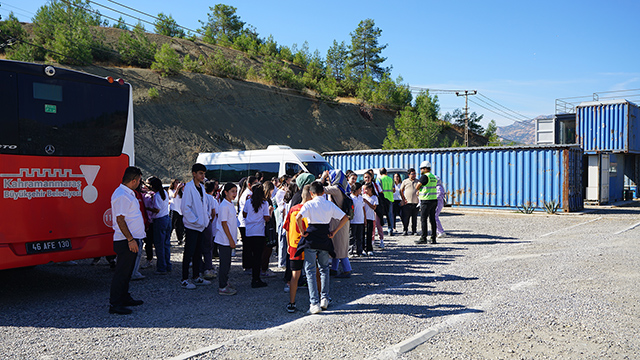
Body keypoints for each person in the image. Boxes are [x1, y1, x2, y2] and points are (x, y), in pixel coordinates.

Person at [295, 181, 349, 315]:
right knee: (324, 268)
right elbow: (345, 218)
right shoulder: (329, 204)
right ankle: (324, 298)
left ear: (311, 193)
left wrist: (302, 231)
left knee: (310, 270)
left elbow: (298, 217)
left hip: (311, 236)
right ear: (323, 192)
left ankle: (314, 302)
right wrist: (334, 232)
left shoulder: (309, 204)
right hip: (325, 236)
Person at [108, 166, 145, 315]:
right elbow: (120, 219)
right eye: (140, 180)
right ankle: (115, 304)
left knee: (128, 272)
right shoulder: (122, 195)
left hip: (130, 239)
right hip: (125, 240)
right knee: (122, 273)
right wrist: (130, 239)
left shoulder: (128, 193)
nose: (140, 183)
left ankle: (124, 297)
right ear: (134, 180)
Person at [180, 164, 212, 290]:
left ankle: (196, 276)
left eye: (204, 173)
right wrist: (196, 220)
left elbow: (204, 206)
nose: (202, 176)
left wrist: (205, 219)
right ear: (194, 173)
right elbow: (185, 208)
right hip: (192, 226)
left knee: (198, 252)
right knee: (189, 252)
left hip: (201, 226)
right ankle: (184, 279)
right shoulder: (188, 188)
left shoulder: (202, 188)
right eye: (200, 173)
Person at [283, 184, 311, 312]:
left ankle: (291, 303)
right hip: (309, 244)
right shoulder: (311, 209)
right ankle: (318, 298)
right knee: (314, 271)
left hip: (294, 244)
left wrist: (289, 245)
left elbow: (287, 229)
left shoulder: (293, 209)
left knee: (295, 274)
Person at [322, 170, 352, 278]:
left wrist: (322, 178)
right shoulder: (344, 188)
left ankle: (347, 270)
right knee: (337, 246)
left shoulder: (335, 190)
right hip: (343, 220)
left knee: (340, 247)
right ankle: (334, 269)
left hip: (337, 221)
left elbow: (320, 189)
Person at [243, 183, 271, 288]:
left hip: (249, 231)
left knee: (251, 254)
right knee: (258, 256)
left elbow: (244, 214)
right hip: (259, 231)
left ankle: (253, 277)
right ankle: (256, 278)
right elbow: (266, 218)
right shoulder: (264, 203)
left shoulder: (248, 202)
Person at [215, 183, 238, 296]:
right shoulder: (224, 205)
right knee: (224, 264)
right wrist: (231, 239)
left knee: (227, 263)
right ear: (226, 192)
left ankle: (225, 282)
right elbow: (224, 224)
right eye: (232, 191)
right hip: (224, 239)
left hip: (228, 239)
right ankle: (222, 286)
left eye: (236, 191)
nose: (235, 194)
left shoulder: (230, 204)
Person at [147, 176, 172, 275]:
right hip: (167, 218)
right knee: (166, 244)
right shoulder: (164, 193)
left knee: (159, 245)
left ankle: (161, 268)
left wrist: (148, 208)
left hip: (159, 221)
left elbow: (157, 210)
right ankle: (168, 265)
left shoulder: (157, 196)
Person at [238, 176, 258, 272]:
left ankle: (248, 265)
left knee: (248, 245)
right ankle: (247, 266)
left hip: (246, 222)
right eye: (255, 183)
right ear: (249, 185)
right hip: (245, 223)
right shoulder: (248, 194)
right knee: (247, 246)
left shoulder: (249, 192)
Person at [415, 161, 438, 244]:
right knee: (432, 219)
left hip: (426, 200)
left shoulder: (424, 176)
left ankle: (423, 237)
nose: (420, 170)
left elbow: (417, 186)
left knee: (423, 219)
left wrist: (419, 190)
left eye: (421, 168)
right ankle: (433, 238)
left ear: (425, 169)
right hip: (434, 200)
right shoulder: (433, 177)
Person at [202, 180, 219, 280]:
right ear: (213, 189)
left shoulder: (201, 196)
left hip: (200, 224)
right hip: (209, 224)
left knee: (200, 247)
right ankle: (208, 267)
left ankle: (201, 266)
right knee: (209, 247)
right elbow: (214, 213)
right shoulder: (212, 199)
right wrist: (211, 222)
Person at [261, 180, 277, 278]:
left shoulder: (264, 200)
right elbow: (266, 217)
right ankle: (264, 269)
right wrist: (270, 211)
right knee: (267, 248)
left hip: (266, 227)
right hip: (268, 227)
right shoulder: (266, 201)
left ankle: (263, 268)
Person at [400, 168, 420, 236]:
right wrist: (403, 199)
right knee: (406, 218)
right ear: (409, 175)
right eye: (412, 174)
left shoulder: (418, 181)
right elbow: (401, 190)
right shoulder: (405, 181)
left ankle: (414, 231)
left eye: (415, 174)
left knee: (414, 218)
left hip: (415, 202)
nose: (414, 175)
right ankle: (405, 230)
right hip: (407, 203)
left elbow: (421, 189)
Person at [349, 182, 366, 257]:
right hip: (353, 220)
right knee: (352, 236)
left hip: (360, 220)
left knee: (360, 237)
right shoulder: (350, 198)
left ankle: (359, 250)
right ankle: (350, 251)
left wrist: (364, 218)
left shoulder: (360, 197)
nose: (361, 191)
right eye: (360, 189)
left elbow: (363, 208)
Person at [378, 168, 395, 236]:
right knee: (390, 215)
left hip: (382, 199)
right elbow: (394, 189)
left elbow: (377, 189)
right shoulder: (391, 179)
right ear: (386, 172)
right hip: (390, 198)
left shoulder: (379, 179)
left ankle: (379, 229)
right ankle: (390, 229)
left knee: (380, 215)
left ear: (380, 173)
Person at [362, 183, 378, 256]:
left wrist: (367, 201)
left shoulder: (374, 197)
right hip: (362, 218)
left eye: (366, 189)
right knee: (362, 234)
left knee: (369, 234)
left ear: (370, 189)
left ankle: (369, 248)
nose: (365, 190)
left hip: (370, 217)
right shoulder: (363, 196)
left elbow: (374, 207)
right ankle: (362, 248)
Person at [168, 179, 185, 245]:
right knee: (171, 225)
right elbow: (173, 196)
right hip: (174, 209)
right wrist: (177, 189)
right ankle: (168, 239)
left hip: (180, 210)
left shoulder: (181, 192)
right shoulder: (171, 191)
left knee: (179, 226)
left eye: (178, 182)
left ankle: (180, 239)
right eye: (176, 183)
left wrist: (182, 188)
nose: (177, 184)